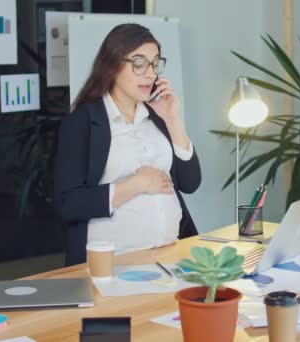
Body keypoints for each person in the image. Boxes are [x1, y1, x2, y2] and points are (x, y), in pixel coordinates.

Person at [54, 23, 201, 266]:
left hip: (171, 254)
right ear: (112, 66)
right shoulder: (82, 122)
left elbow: (190, 183)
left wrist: (173, 119)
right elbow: (68, 204)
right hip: (113, 262)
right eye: (139, 63)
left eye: (155, 63)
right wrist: (137, 184)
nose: (150, 73)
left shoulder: (158, 115)